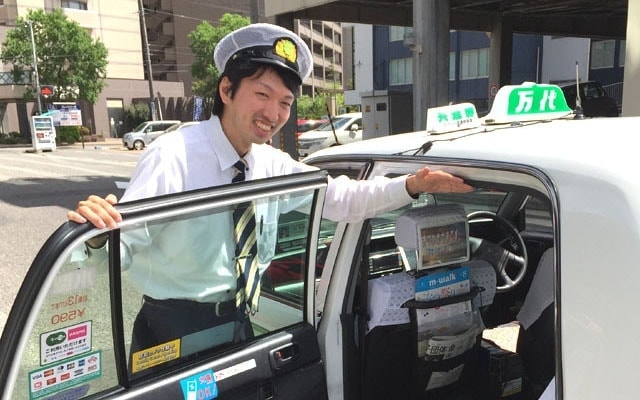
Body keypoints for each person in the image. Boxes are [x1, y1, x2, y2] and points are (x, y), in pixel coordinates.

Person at [68, 23, 472, 361]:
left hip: (239, 321)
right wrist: (97, 234)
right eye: (262, 94)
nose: (274, 114)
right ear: (227, 90)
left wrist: (413, 185)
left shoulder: (269, 163)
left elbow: (342, 199)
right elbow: (121, 248)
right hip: (173, 330)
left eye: (285, 102)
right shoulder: (174, 156)